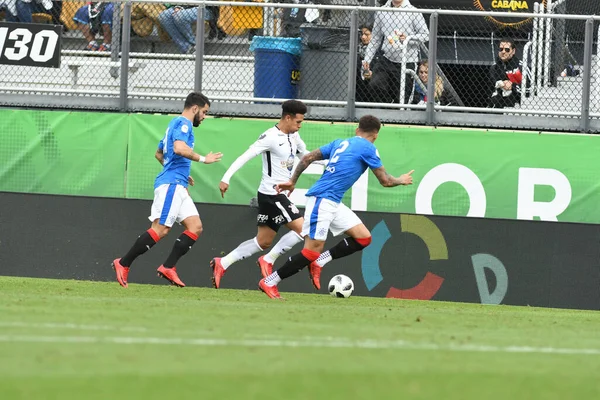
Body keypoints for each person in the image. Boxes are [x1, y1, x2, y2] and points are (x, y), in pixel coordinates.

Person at [258, 115, 414, 299]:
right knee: (310, 251)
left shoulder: (340, 142)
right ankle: (269, 282)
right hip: (323, 200)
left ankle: (320, 262)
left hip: (332, 201)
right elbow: (386, 181)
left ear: (357, 130)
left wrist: (292, 181)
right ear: (376, 135)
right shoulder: (369, 148)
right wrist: (401, 180)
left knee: (363, 238)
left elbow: (307, 158)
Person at [111, 92, 223, 288]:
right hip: (171, 185)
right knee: (161, 229)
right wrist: (204, 159)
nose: (204, 117)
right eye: (204, 112)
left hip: (177, 182)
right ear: (195, 109)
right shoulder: (184, 124)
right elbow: (179, 149)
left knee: (195, 227)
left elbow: (159, 153)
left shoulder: (173, 124)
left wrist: (177, 170)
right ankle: (123, 263)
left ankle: (168, 267)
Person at [210, 100, 317, 289]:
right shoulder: (270, 137)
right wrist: (226, 178)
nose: (300, 125)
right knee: (304, 230)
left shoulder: (294, 136)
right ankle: (268, 260)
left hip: (276, 196)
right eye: (298, 122)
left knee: (263, 241)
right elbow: (246, 156)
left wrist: (330, 162)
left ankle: (223, 263)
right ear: (287, 117)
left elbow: (305, 157)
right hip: (273, 195)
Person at [363, 0, 429, 104]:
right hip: (387, 59)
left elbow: (426, 35)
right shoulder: (382, 11)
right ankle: (387, 109)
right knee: (375, 85)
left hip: (407, 61)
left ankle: (397, 113)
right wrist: (367, 59)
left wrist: (408, 38)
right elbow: (375, 38)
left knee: (403, 98)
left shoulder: (413, 11)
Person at [489, 39, 523, 109]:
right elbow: (490, 87)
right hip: (497, 105)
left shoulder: (521, 67)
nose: (503, 52)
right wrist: (499, 84)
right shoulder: (494, 67)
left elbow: (529, 89)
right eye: (501, 49)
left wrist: (512, 85)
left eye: (507, 50)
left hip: (516, 105)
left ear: (513, 51)